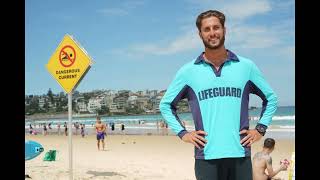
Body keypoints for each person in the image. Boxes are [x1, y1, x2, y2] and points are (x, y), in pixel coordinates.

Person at [159, 10, 278, 180]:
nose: (212, 33)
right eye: (207, 29)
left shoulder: (246, 66)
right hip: (206, 155)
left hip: (240, 153)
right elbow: (166, 105)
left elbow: (271, 98)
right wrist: (183, 133)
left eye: (216, 27)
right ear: (200, 34)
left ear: (224, 30)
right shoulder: (188, 71)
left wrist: (260, 129)